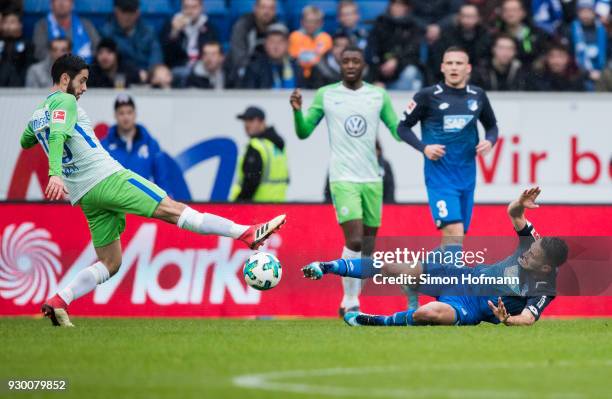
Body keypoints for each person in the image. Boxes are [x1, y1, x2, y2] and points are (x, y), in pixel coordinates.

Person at [19, 54, 286, 327]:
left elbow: (26, 140)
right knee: (174, 210)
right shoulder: (65, 100)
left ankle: (60, 300)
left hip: (85, 196)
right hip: (108, 179)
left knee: (110, 262)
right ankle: (246, 233)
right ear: (65, 79)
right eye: (82, 81)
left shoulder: (39, 114)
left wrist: (44, 129)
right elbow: (57, 136)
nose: (84, 88)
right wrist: (54, 172)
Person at [302, 187, 569, 328]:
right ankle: (326, 266)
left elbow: (529, 318)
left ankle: (375, 321)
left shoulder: (545, 288)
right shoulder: (533, 243)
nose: (528, 251)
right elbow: (514, 214)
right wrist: (520, 203)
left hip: (470, 307)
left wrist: (506, 319)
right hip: (461, 275)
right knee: (392, 265)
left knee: (426, 313)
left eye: (533, 254)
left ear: (546, 267)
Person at [290, 45, 401, 316]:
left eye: (355, 61)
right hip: (342, 177)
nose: (350, 65)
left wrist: (420, 126)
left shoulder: (378, 96)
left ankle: (351, 298)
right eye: (346, 61)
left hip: (372, 180)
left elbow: (397, 131)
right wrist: (297, 111)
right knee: (354, 240)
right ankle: (350, 301)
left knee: (368, 247)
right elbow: (304, 132)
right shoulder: (326, 95)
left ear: (363, 65)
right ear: (340, 65)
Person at [397, 46, 499, 247]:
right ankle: (454, 279)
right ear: (442, 67)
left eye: (459, 63)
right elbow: (403, 128)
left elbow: (492, 126)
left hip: (466, 176)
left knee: (453, 238)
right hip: (440, 177)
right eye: (449, 63)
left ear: (467, 68)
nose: (454, 67)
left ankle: (419, 275)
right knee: (454, 232)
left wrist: (490, 141)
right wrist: (424, 148)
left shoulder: (477, 96)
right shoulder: (427, 96)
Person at [101, 94, 172, 193]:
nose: (126, 117)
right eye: (121, 113)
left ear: (135, 114)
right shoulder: (104, 146)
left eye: (129, 112)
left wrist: (167, 201)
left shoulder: (151, 144)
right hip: (115, 204)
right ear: (115, 115)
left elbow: (162, 179)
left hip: (144, 204)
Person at [230, 106, 289, 202]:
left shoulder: (257, 146)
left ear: (262, 121)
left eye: (251, 120)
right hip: (278, 205)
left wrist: (239, 203)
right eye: (245, 121)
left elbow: (250, 182)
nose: (246, 125)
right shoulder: (277, 144)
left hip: (257, 207)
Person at [366, 0, 424, 90]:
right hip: (380, 73)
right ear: (390, 6)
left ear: (407, 8)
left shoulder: (413, 27)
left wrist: (397, 62)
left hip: (402, 70)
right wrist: (377, 75)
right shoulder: (380, 24)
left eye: (401, 5)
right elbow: (372, 52)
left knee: (411, 72)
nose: (398, 8)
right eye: (395, 5)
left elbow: (413, 53)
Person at [101, 0, 163, 79]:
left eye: (131, 12)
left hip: (148, 77)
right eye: (124, 11)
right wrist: (135, 74)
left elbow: (156, 56)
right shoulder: (107, 33)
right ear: (116, 11)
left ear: (138, 13)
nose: (127, 16)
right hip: (120, 79)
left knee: (161, 73)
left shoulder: (148, 32)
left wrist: (152, 72)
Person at [429, 4, 491, 82]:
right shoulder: (447, 35)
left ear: (478, 18)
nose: (468, 20)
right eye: (465, 16)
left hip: (476, 79)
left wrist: (470, 74)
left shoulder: (484, 36)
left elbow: (484, 61)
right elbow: (438, 61)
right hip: (448, 78)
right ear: (459, 17)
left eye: (471, 16)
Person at [160, 0, 218, 74]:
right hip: (178, 67)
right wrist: (174, 32)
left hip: (203, 66)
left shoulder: (209, 27)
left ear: (201, 8)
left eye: (194, 7)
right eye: (186, 7)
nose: (190, 11)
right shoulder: (171, 24)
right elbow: (165, 54)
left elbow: (213, 50)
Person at [32, 0, 99, 63]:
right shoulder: (42, 25)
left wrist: (77, 64)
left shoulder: (86, 24)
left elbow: (98, 48)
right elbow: (39, 52)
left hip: (85, 70)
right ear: (51, 4)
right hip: (52, 71)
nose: (61, 3)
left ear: (72, 4)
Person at [241, 23, 302, 89]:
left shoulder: (296, 67)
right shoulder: (254, 67)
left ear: (287, 45)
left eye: (280, 42)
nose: (276, 46)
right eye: (272, 42)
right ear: (265, 45)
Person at [562, 0, 608, 87]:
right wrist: (586, 73)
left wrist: (602, 72)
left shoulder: (603, 30)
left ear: (594, 12)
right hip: (578, 73)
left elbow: (608, 52)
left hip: (602, 72)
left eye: (589, 11)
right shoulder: (569, 30)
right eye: (582, 11)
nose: (585, 15)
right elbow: (569, 54)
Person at [228, 0, 278, 80]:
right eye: (263, 7)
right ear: (255, 8)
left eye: (271, 8)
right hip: (247, 72)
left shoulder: (278, 28)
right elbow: (239, 56)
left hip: (270, 71)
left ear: (275, 11)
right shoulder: (243, 26)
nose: (267, 12)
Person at [494, 0, 551, 68]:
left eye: (514, 10)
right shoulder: (496, 33)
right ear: (502, 14)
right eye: (506, 10)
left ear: (523, 13)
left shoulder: (536, 33)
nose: (510, 13)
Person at [288, 6, 333, 79]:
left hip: (319, 74)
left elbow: (321, 61)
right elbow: (298, 60)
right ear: (302, 21)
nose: (311, 24)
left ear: (320, 23)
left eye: (315, 22)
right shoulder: (294, 36)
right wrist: (314, 58)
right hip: (298, 74)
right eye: (308, 21)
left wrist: (310, 58)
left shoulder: (326, 38)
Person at [0, 7, 34, 87]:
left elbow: (28, 67)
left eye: (12, 22)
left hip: (20, 88)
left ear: (20, 25)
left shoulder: (28, 44)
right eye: (5, 22)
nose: (8, 26)